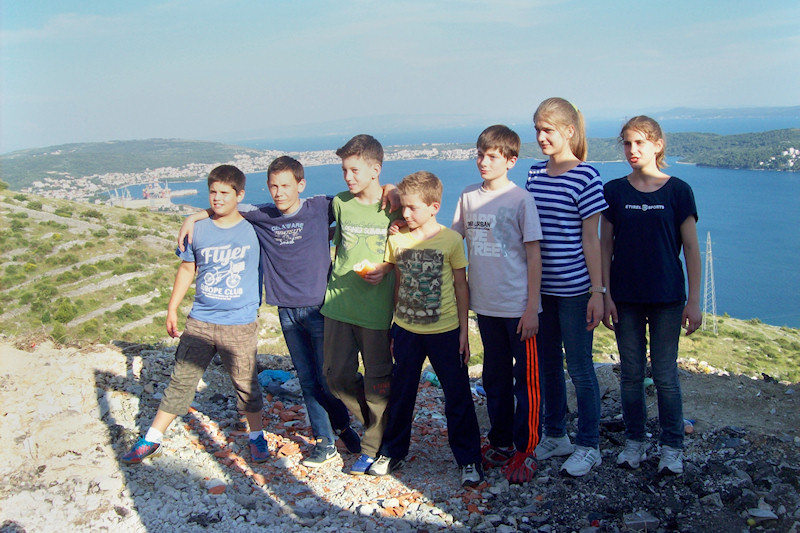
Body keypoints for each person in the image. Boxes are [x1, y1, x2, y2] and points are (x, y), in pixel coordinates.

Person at [177, 156, 362, 468]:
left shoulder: (320, 207)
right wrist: (195, 217)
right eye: (274, 186)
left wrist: (391, 193)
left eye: (286, 186)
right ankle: (324, 441)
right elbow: (227, 206)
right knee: (307, 379)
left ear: (301, 185)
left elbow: (359, 202)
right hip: (286, 311)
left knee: (326, 378)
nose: (279, 193)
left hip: (320, 308)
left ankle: (344, 427)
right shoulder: (262, 214)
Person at [121, 165, 269, 465]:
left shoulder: (255, 227)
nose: (217, 198)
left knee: (246, 384)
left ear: (240, 195)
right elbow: (188, 268)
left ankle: (256, 436)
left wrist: (194, 214)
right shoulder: (198, 229)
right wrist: (172, 307)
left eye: (225, 192)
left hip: (239, 322)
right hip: (200, 319)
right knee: (181, 379)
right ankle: (152, 438)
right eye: (213, 192)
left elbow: (286, 210)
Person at [368, 171, 484, 486]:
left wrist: (464, 331)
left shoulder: (451, 240)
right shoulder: (397, 238)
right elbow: (397, 281)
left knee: (457, 395)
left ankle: (469, 459)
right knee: (401, 394)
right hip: (406, 330)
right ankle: (392, 451)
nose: (406, 213)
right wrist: (394, 325)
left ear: (434, 207)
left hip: (445, 331)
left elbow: (461, 285)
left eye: (413, 208)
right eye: (403, 207)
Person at [600, 115, 701, 475]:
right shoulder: (614, 191)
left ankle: (672, 447)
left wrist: (694, 301)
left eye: (640, 142)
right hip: (625, 298)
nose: (632, 149)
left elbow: (691, 249)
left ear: (657, 145)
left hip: (667, 298)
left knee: (664, 375)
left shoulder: (678, 191)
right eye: (627, 143)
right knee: (630, 374)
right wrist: (605, 294)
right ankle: (634, 441)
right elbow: (605, 245)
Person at [452, 125, 544, 484]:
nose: (483, 162)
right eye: (480, 155)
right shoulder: (468, 196)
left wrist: (532, 307)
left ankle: (527, 448)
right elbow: (452, 241)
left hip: (518, 307)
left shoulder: (521, 199)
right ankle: (501, 442)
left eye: (492, 156)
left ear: (511, 160)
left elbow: (534, 255)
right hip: (485, 306)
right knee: (495, 378)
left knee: (527, 382)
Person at [525, 98, 608, 477]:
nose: (541, 137)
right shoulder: (533, 174)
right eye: (538, 130)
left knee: (579, 367)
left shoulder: (586, 176)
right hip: (540, 291)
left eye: (548, 130)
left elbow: (592, 240)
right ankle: (556, 434)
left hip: (575, 291)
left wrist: (598, 292)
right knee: (547, 367)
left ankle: (589, 445)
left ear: (569, 131)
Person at [320, 134, 400, 474]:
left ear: (375, 170)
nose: (348, 177)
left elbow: (407, 249)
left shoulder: (394, 207)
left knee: (378, 380)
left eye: (354, 170)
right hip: (339, 304)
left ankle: (371, 446)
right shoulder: (341, 203)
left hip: (377, 310)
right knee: (336, 376)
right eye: (344, 170)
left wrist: (386, 268)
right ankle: (375, 426)